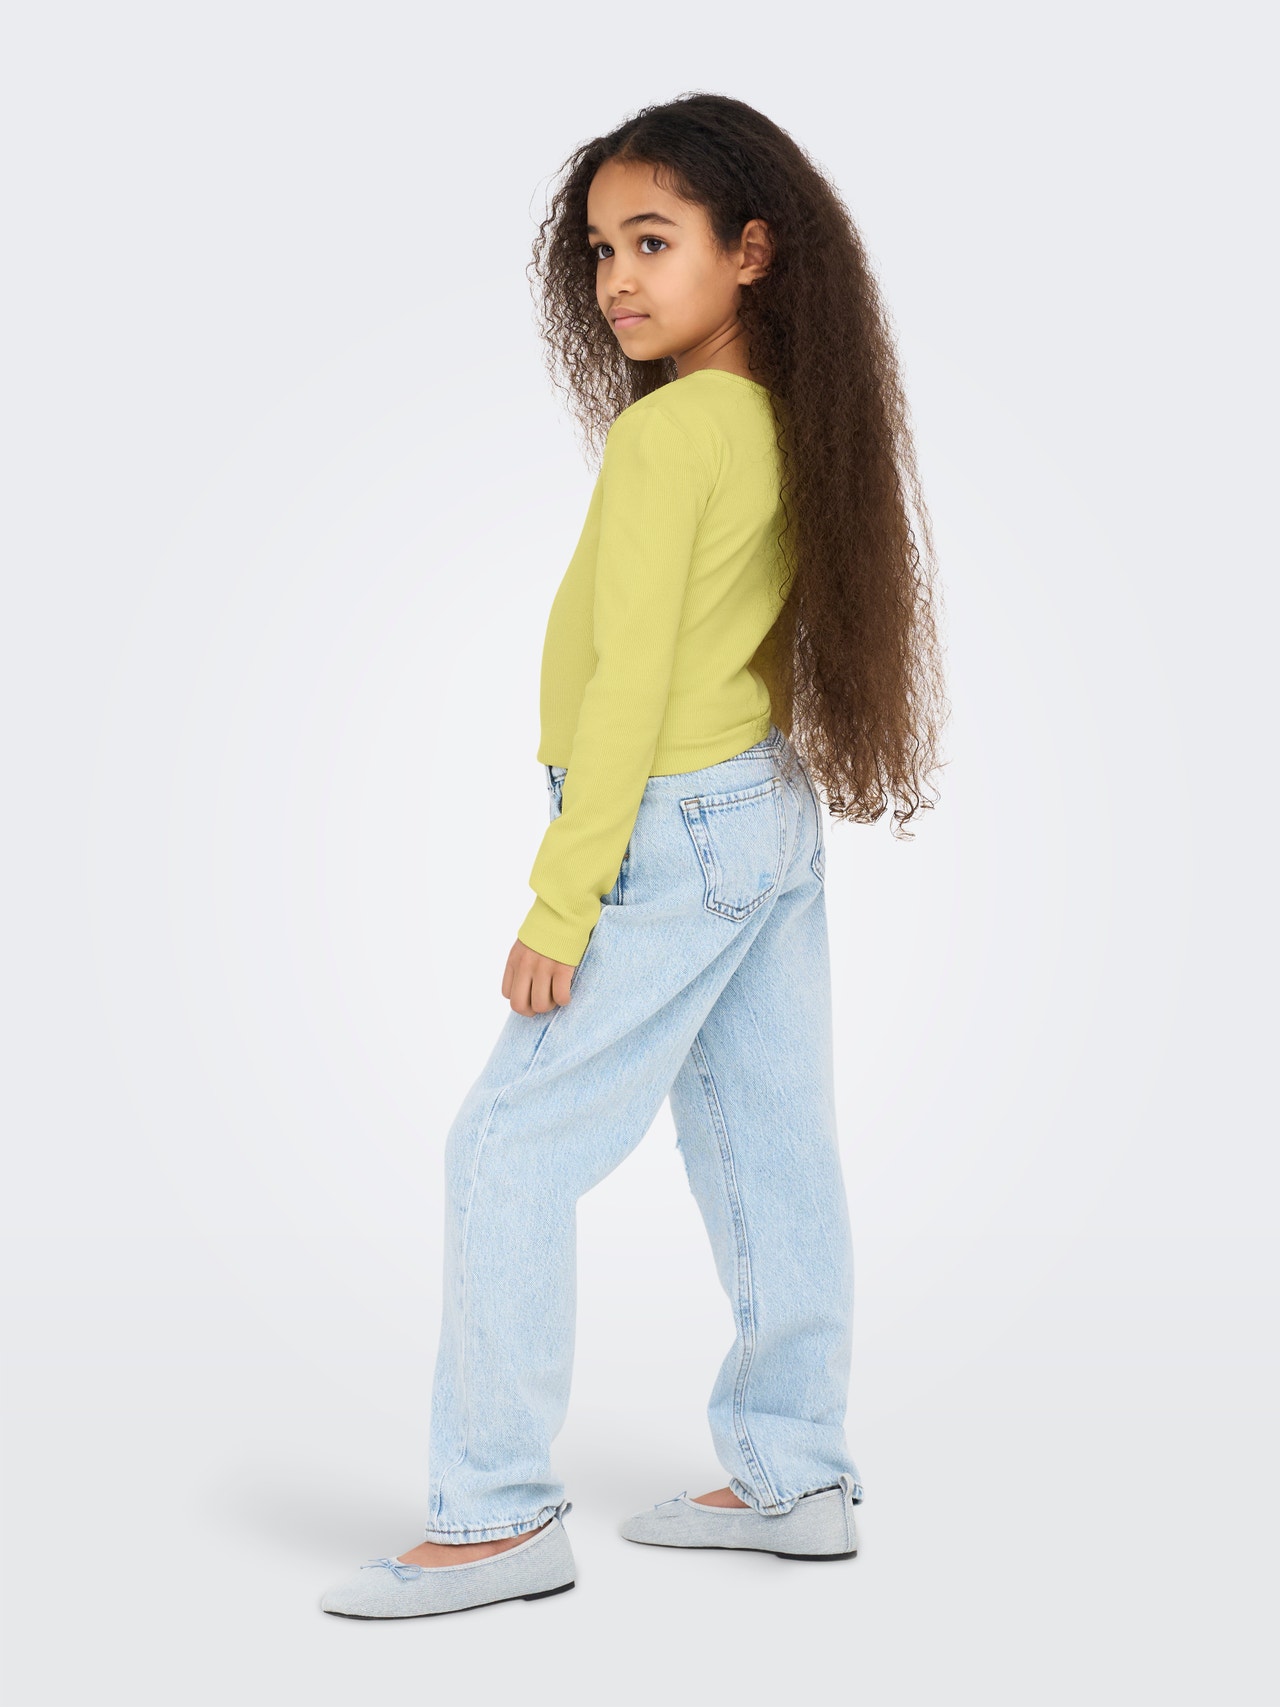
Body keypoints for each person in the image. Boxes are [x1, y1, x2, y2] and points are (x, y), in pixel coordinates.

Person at [320, 91, 947, 1620]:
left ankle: (495, 1516)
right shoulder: (787, 415)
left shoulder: (672, 433)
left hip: (667, 825)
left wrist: (564, 895)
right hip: (759, 812)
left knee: (506, 1145)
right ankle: (795, 1471)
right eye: (601, 248)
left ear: (752, 252)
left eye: (653, 242)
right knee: (769, 1145)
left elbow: (632, 685)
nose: (617, 277)